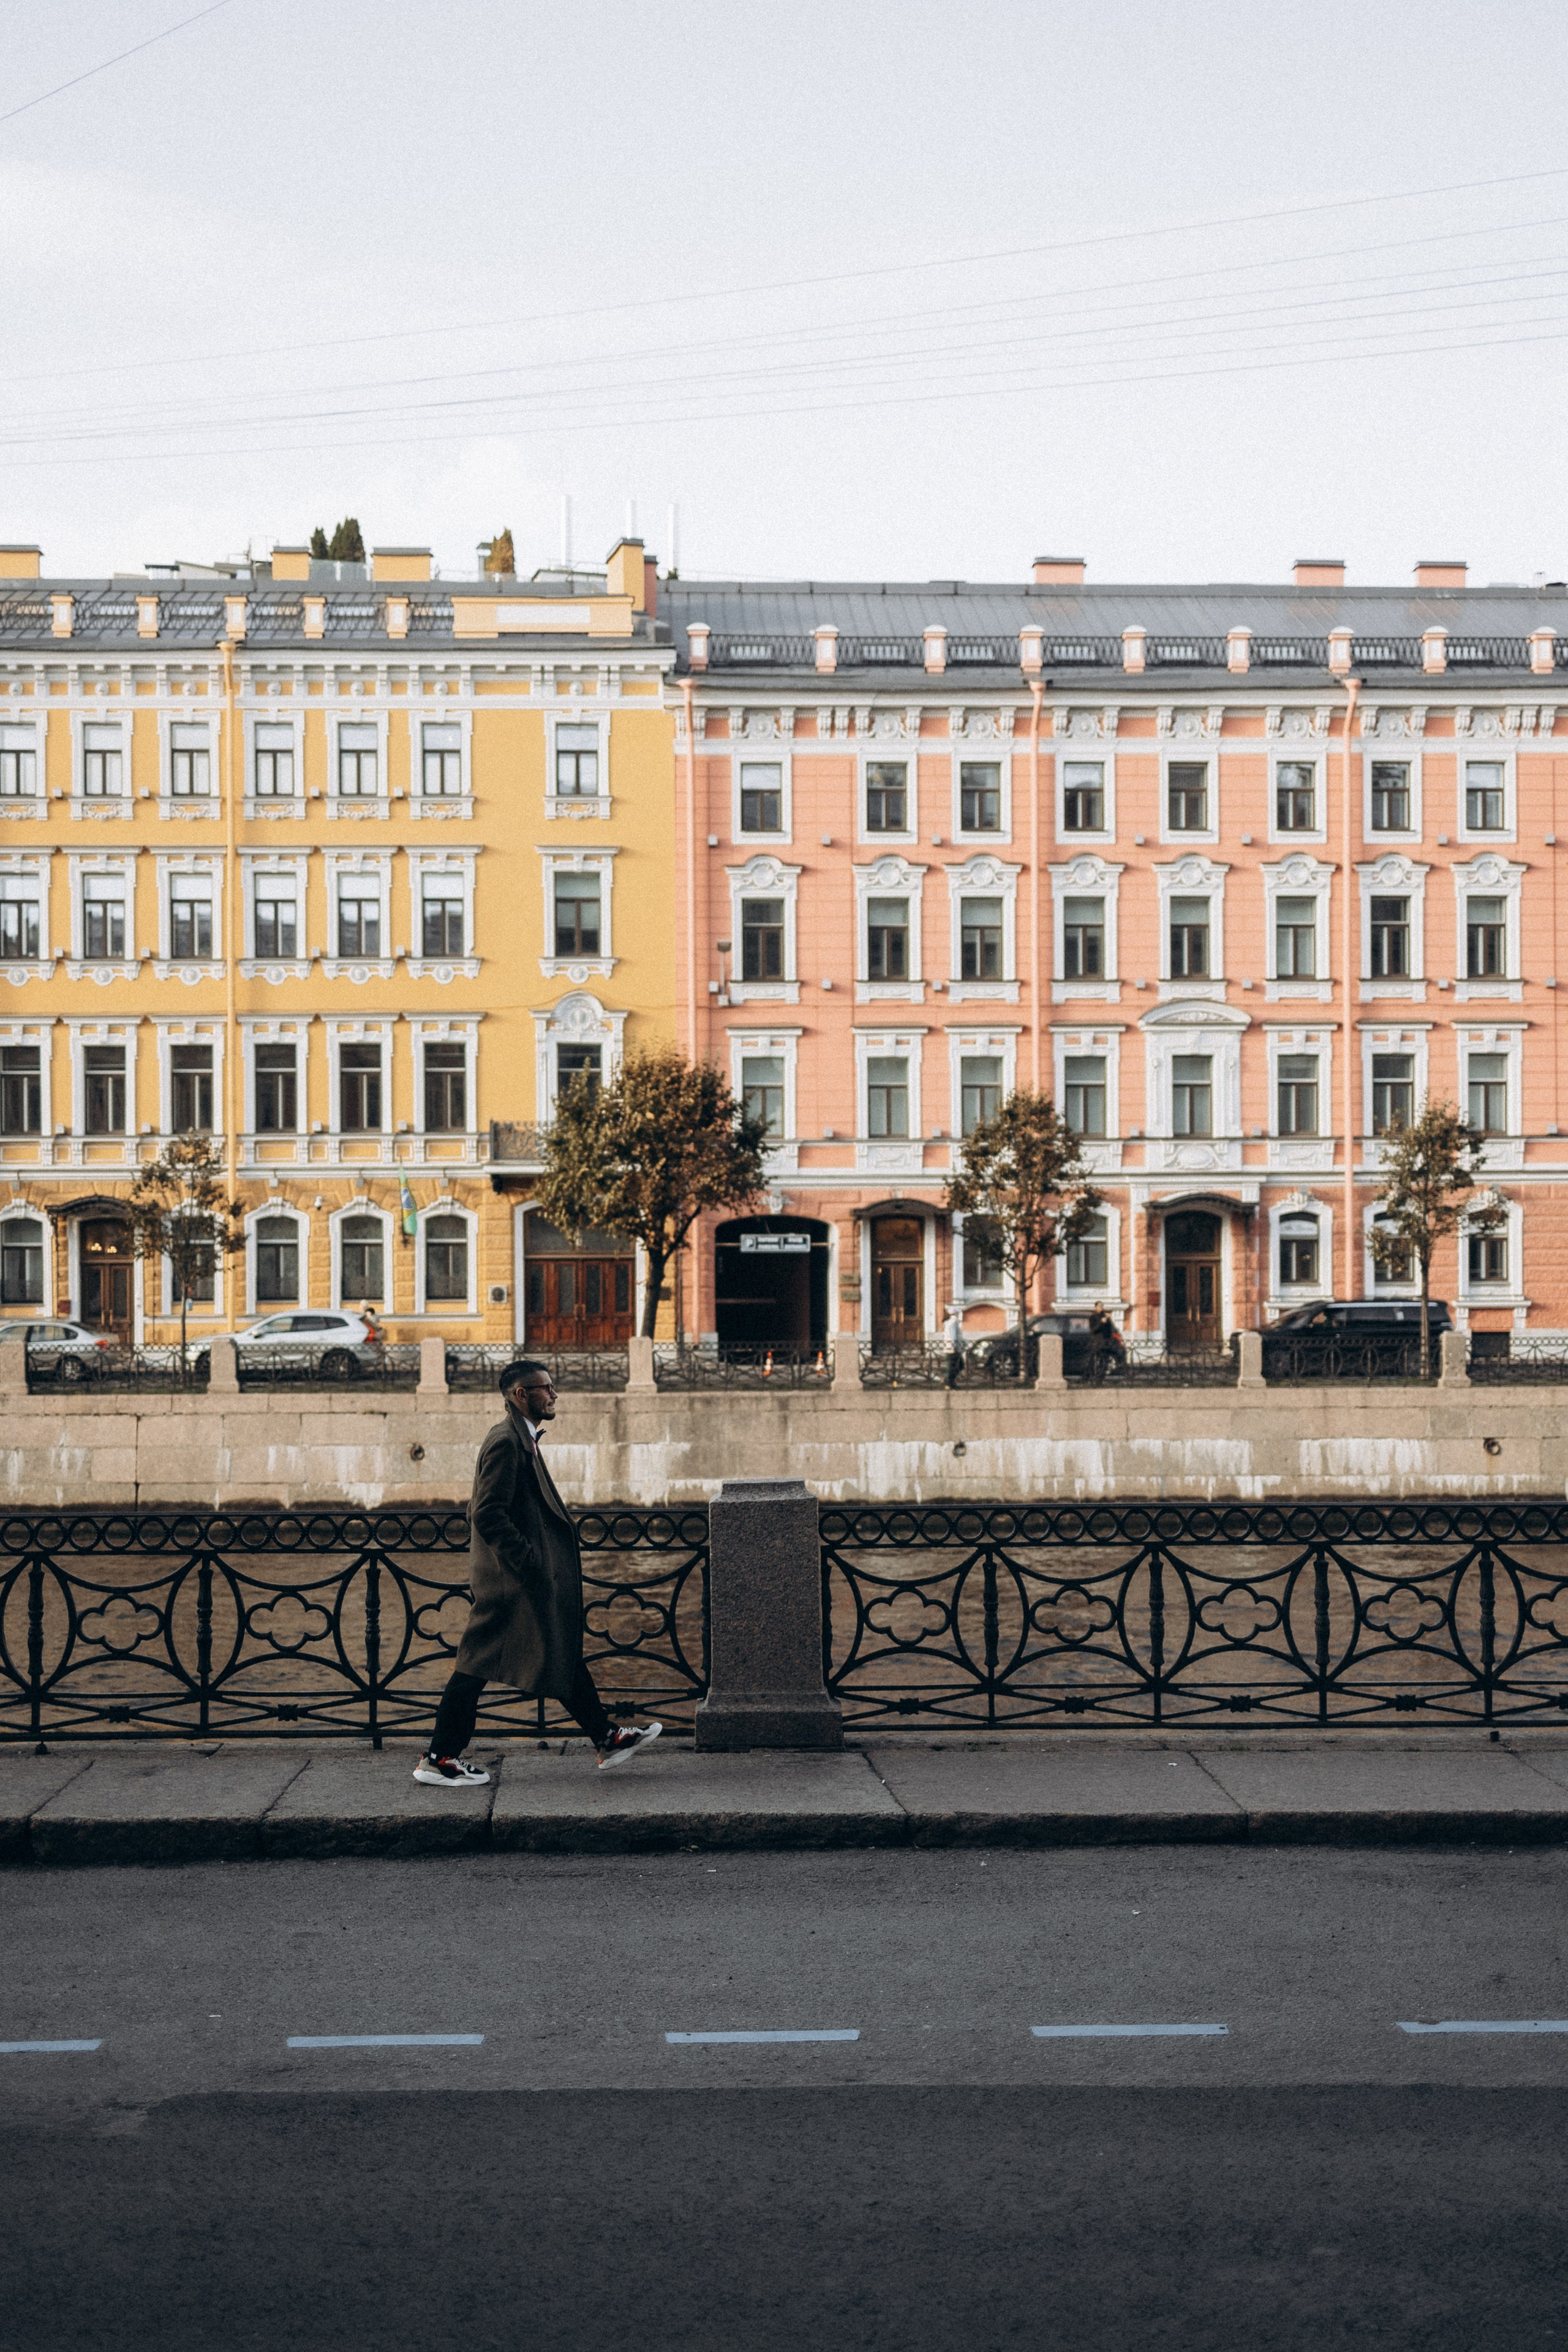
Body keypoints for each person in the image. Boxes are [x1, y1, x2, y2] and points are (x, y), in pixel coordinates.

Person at [415, 1358, 661, 1785]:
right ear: (521, 1395)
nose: (554, 1394)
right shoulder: (507, 1441)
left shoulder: (519, 1436)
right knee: (474, 1666)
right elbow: (486, 1513)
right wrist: (529, 1562)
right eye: (545, 1388)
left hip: (519, 1580)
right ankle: (439, 1759)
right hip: (511, 1583)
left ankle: (606, 1737)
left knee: (558, 1650)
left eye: (551, 1386)